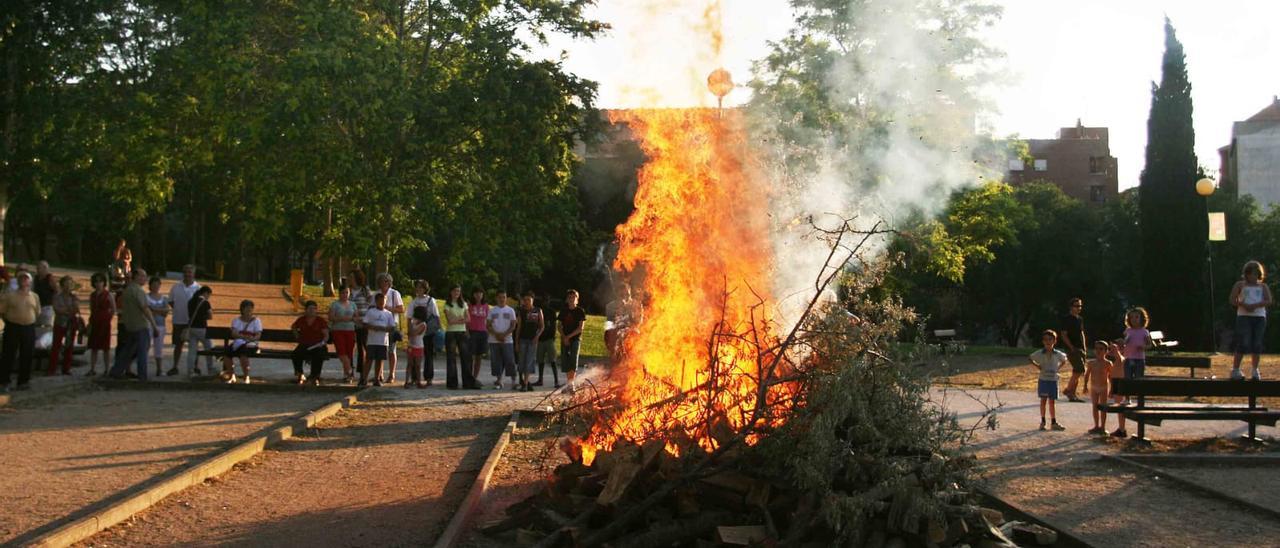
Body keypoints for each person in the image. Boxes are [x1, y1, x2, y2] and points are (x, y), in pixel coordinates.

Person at [109, 269, 157, 381]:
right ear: (136, 277)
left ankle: (116, 371)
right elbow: (145, 309)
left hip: (129, 325)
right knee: (142, 351)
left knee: (128, 350)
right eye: (143, 276)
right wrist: (154, 325)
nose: (145, 278)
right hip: (141, 325)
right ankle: (142, 376)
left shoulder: (127, 291)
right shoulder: (138, 291)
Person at [1229, 260, 1272, 381]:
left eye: (1255, 274)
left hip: (1259, 317)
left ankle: (1255, 370)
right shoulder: (1240, 285)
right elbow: (1232, 300)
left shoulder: (1263, 286)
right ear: (1246, 274)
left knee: (1257, 343)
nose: (1252, 276)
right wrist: (1243, 304)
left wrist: (1256, 305)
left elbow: (1269, 300)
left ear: (1258, 274)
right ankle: (1235, 370)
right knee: (1243, 342)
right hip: (1244, 316)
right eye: (1250, 274)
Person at [0, 271, 42, 391]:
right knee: (8, 354)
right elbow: (2, 311)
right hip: (12, 327)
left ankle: (23, 381)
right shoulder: (10, 295)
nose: (24, 281)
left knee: (27, 354)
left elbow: (37, 312)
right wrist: (9, 320)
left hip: (28, 327)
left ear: (30, 281)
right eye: (21, 278)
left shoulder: (34, 296)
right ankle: (4, 381)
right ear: (17, 281)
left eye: (26, 278)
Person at [1028, 329, 1067, 431]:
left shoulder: (1058, 354)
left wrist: (1058, 368)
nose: (1048, 342)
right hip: (1043, 379)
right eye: (1045, 339)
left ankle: (1053, 422)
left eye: (1050, 339)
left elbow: (1064, 360)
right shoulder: (1040, 353)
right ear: (1043, 341)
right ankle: (1043, 421)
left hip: (1053, 380)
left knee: (1052, 402)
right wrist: (1038, 366)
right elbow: (1030, 357)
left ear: (1054, 341)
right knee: (1043, 401)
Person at [443, 285, 478, 389]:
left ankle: (467, 382)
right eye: (454, 291)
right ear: (451, 292)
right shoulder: (447, 304)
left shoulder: (463, 304)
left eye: (458, 291)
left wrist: (457, 319)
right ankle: (452, 383)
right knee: (451, 358)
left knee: (466, 358)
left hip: (462, 332)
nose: (456, 293)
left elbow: (468, 319)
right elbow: (450, 321)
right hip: (451, 333)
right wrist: (461, 319)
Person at [169, 265, 202, 373]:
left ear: (194, 274)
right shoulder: (176, 287)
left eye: (190, 272)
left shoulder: (198, 288)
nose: (188, 274)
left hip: (193, 322)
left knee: (194, 346)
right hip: (179, 320)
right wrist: (179, 309)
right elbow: (171, 301)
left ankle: (195, 367)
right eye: (186, 272)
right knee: (178, 345)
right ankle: (175, 366)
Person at [375, 273, 405, 384]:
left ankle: (392, 373)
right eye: (382, 281)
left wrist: (388, 308)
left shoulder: (394, 293)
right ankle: (380, 373)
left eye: (386, 281)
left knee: (392, 350)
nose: (384, 283)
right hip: (379, 324)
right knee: (381, 350)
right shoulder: (376, 294)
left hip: (392, 324)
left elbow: (401, 309)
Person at [222, 299, 261, 384]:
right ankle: (232, 376)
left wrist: (250, 339)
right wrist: (243, 337)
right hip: (238, 343)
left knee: (243, 353)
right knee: (226, 354)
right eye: (247, 309)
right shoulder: (236, 320)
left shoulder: (256, 321)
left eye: (250, 309)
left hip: (251, 344)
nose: (249, 311)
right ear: (242, 310)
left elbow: (258, 335)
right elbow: (234, 333)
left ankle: (246, 376)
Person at [409, 280, 440, 386]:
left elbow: (436, 315)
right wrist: (410, 330)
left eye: (421, 287)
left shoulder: (431, 300)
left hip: (428, 331)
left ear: (425, 289)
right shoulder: (414, 301)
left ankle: (429, 377)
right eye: (417, 287)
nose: (419, 289)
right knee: (414, 355)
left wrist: (438, 328)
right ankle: (414, 377)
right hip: (416, 330)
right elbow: (409, 316)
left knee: (428, 354)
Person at [291, 300, 330, 385]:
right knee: (295, 354)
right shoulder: (301, 320)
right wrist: (297, 335)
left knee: (319, 354)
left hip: (318, 345)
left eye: (314, 308)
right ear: (306, 310)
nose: (312, 310)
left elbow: (326, 335)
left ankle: (315, 376)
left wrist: (323, 342)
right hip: (305, 344)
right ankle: (300, 374)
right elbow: (293, 326)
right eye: (310, 308)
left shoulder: (320, 321)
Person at [48, 275, 81, 376]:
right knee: (56, 346)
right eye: (66, 284)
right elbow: (57, 309)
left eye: (70, 284)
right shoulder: (57, 297)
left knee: (69, 346)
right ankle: (52, 369)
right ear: (62, 285)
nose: (68, 286)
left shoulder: (74, 297)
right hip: (60, 323)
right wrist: (68, 310)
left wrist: (67, 310)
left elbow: (76, 309)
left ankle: (66, 368)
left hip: (71, 324)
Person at [486, 289, 518, 389]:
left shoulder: (510, 310)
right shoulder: (492, 310)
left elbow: (513, 325)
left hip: (507, 340)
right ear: (496, 298)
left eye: (504, 297)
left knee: (510, 360)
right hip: (494, 340)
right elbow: (488, 325)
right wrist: (496, 335)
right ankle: (499, 380)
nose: (502, 299)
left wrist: (504, 335)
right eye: (500, 297)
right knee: (496, 361)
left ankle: (513, 381)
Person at [361, 293, 394, 387]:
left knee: (380, 360)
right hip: (372, 340)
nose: (381, 302)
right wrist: (373, 327)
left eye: (383, 300)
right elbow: (365, 324)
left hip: (383, 341)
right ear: (376, 301)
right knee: (369, 359)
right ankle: (364, 379)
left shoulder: (388, 314)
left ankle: (377, 379)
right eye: (379, 301)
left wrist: (383, 329)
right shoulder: (371, 312)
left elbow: (392, 327)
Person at [515, 291, 544, 392]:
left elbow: (542, 326)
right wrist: (516, 342)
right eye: (525, 300)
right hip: (523, 339)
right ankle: (524, 381)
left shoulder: (538, 310)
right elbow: (518, 327)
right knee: (522, 361)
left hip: (533, 340)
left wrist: (537, 336)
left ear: (533, 300)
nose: (527, 301)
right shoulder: (521, 311)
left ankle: (526, 383)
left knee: (529, 361)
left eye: (529, 300)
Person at [86, 272, 115, 376]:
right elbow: (91, 308)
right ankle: (92, 368)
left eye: (100, 281)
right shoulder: (92, 295)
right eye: (96, 281)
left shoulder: (108, 294)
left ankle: (107, 369)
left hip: (104, 322)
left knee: (105, 348)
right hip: (94, 321)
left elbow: (113, 308)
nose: (98, 284)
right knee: (94, 347)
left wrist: (108, 318)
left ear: (104, 283)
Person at [558, 289, 587, 390]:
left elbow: (580, 328)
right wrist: (564, 337)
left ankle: (572, 384)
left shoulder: (580, 311)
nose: (571, 299)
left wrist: (569, 337)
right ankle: (569, 383)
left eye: (574, 297)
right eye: (570, 297)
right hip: (564, 339)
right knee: (566, 362)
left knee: (573, 360)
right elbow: (559, 326)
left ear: (577, 299)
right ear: (567, 299)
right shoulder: (563, 311)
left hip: (575, 339)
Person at [1060, 297, 1088, 402]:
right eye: (1076, 306)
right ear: (1071, 307)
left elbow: (1081, 333)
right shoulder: (1066, 319)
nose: (1079, 308)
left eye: (1080, 306)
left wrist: (1084, 347)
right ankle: (1068, 390)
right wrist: (1071, 347)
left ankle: (1072, 394)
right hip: (1071, 348)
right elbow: (1063, 335)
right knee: (1079, 369)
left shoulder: (1080, 319)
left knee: (1077, 371)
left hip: (1080, 347)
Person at [328, 285, 358, 383]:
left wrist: (352, 319)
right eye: (343, 293)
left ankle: (346, 375)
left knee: (349, 353)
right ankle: (349, 370)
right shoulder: (335, 304)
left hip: (350, 330)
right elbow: (331, 317)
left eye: (347, 293)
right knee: (342, 353)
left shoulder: (353, 304)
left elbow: (356, 317)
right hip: (338, 330)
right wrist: (343, 319)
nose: (345, 295)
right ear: (339, 294)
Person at [145, 276, 173, 377]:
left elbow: (166, 312)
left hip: (161, 325)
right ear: (150, 285)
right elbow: (147, 311)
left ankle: (159, 369)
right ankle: (144, 368)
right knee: (145, 347)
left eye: (157, 284)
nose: (156, 286)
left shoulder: (163, 298)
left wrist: (154, 310)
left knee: (159, 348)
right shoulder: (146, 297)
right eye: (154, 284)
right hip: (148, 325)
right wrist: (160, 311)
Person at [1085, 340, 1114, 435]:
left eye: (1101, 349)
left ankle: (1103, 427)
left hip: (1103, 388)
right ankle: (1096, 426)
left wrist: (1112, 389)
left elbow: (1111, 377)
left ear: (1106, 351)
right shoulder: (1091, 363)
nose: (1098, 351)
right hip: (1093, 387)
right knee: (1095, 407)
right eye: (1096, 348)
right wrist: (1085, 385)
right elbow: (1087, 374)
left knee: (1103, 407)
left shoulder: (1108, 363)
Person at [185, 286, 215, 377]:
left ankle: (190, 370)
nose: (208, 297)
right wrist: (203, 317)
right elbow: (210, 316)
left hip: (192, 328)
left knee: (192, 350)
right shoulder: (205, 303)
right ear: (205, 293)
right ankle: (210, 368)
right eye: (209, 294)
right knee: (209, 347)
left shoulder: (190, 301)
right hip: (202, 328)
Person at [349, 270, 373, 377]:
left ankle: (363, 372)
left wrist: (366, 318)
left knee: (363, 346)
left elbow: (371, 304)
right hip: (351, 323)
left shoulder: (364, 290)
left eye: (351, 277)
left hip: (363, 323)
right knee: (353, 347)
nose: (350, 279)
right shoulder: (348, 291)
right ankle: (352, 371)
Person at [1122, 307, 1153, 381]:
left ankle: (1138, 392)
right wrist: (1123, 342)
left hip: (1139, 359)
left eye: (1136, 317)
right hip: (1128, 358)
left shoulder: (1144, 331)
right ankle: (1128, 392)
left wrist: (1143, 347)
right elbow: (1125, 342)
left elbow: (1150, 345)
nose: (1134, 319)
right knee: (1127, 379)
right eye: (1131, 317)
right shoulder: (1128, 331)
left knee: (1138, 379)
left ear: (1142, 318)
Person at [535, 292, 559, 388]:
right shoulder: (538, 311)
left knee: (552, 360)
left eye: (547, 300)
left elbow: (554, 326)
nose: (545, 302)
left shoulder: (552, 312)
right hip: (541, 339)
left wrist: (552, 336)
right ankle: (540, 379)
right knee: (540, 360)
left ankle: (556, 381)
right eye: (544, 300)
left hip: (549, 339)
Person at [467, 287, 490, 383]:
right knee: (470, 356)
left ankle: (475, 377)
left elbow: (488, 321)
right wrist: (467, 331)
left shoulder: (486, 306)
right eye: (476, 293)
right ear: (473, 295)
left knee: (479, 356)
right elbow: (466, 319)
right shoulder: (469, 306)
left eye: (480, 293)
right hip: (472, 332)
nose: (478, 295)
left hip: (482, 332)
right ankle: (468, 376)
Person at [1107, 339, 1129, 438]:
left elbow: (1120, 358)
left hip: (1120, 383)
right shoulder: (1113, 360)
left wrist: (1117, 352)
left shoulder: (1123, 359)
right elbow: (1111, 377)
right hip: (1116, 382)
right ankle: (1121, 428)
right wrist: (1111, 389)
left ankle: (1122, 429)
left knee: (1120, 408)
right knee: (1119, 408)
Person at [406, 306, 429, 388]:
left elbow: (413, 333)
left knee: (417, 365)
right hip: (411, 345)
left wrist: (410, 327)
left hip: (419, 346)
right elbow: (409, 333)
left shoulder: (423, 324)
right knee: (410, 364)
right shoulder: (413, 322)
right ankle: (407, 381)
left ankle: (418, 381)